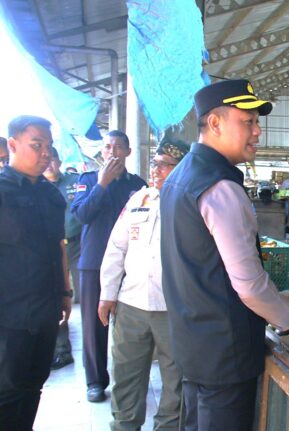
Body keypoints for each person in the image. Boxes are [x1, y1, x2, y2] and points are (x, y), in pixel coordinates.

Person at [160, 79, 289, 430]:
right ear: (215, 124)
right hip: (225, 353)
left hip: (193, 342)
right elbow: (248, 282)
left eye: (256, 122)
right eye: (247, 122)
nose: (258, 131)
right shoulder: (220, 187)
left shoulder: (179, 177)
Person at [97, 140, 188, 431]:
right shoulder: (139, 199)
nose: (156, 169)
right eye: (155, 162)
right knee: (125, 375)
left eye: (164, 164)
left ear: (180, 169)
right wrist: (107, 295)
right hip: (131, 304)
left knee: (175, 380)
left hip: (173, 308)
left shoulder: (191, 201)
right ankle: (124, 425)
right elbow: (116, 248)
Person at [0, 115, 72, 429]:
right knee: (6, 390)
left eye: (48, 146)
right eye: (36, 145)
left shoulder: (50, 194)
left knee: (34, 384)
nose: (45, 153)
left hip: (44, 310)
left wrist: (66, 292)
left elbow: (60, 246)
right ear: (13, 145)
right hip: (8, 316)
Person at [72, 131, 147, 403]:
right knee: (94, 324)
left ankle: (129, 379)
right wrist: (101, 185)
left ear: (127, 152)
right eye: (107, 147)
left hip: (130, 264)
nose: (112, 151)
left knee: (131, 323)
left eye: (118, 147)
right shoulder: (89, 180)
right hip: (94, 262)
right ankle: (95, 381)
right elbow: (82, 214)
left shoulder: (138, 186)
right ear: (101, 152)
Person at [43, 147, 82, 370]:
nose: (49, 164)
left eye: (53, 159)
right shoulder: (36, 187)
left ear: (59, 161)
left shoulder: (74, 181)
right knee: (56, 297)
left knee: (83, 294)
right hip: (50, 248)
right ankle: (60, 350)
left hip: (77, 245)